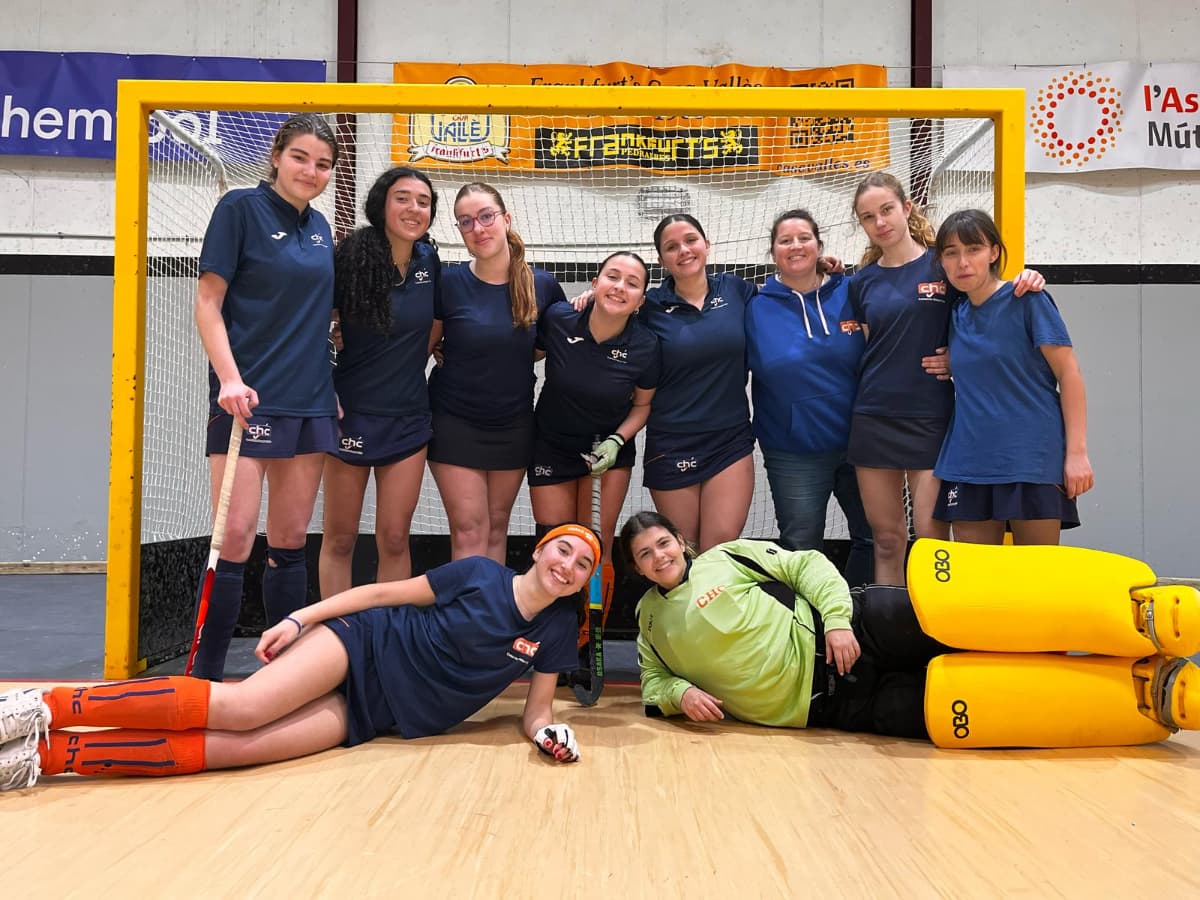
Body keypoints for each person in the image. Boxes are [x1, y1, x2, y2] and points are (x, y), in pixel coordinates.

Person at [0, 524, 600, 791]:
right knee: (243, 707)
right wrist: (299, 617)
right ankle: (42, 705)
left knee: (237, 752)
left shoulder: (555, 628)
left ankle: (46, 758)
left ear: (583, 584)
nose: (567, 567)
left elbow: (536, 711)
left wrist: (548, 735)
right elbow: (382, 592)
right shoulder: (478, 574)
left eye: (582, 567)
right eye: (563, 551)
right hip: (364, 644)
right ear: (541, 550)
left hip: (386, 713)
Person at [619, 511, 1200, 748]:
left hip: (852, 628)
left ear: (681, 541)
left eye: (663, 543)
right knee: (950, 706)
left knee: (974, 620)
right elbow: (651, 684)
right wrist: (680, 693)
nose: (659, 556)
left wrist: (838, 621)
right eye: (645, 554)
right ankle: (1150, 698)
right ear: (638, 568)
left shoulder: (726, 558)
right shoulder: (649, 620)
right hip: (827, 704)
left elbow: (807, 564)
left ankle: (1139, 616)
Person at [191, 113, 341, 681]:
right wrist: (228, 379)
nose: (311, 171)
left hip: (310, 401)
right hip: (246, 399)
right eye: (301, 157)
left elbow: (318, 316)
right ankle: (204, 673)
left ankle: (284, 671)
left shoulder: (323, 227)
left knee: (290, 538)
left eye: (323, 164)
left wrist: (330, 382)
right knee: (233, 536)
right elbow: (208, 303)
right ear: (277, 155)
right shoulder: (238, 210)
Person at [847, 172, 1043, 585]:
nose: (880, 222)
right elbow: (867, 346)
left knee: (932, 540)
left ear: (906, 207)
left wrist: (1028, 278)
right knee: (886, 538)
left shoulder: (945, 262)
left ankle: (937, 634)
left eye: (886, 210)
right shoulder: (860, 281)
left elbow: (987, 305)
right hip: (873, 417)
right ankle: (891, 634)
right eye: (868, 217)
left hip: (932, 418)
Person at [932, 209, 1093, 544]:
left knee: (1035, 583)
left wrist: (1077, 454)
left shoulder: (1027, 298)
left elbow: (1070, 373)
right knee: (975, 585)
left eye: (973, 249)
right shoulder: (955, 313)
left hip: (1031, 460)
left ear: (993, 252)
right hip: (969, 461)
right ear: (942, 262)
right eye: (951, 253)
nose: (963, 262)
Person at [427, 183, 566, 563]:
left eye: (486, 216)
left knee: (496, 525)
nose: (478, 228)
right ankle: (465, 622)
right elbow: (421, 344)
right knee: (470, 528)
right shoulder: (450, 283)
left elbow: (549, 346)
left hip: (514, 423)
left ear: (505, 219)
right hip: (454, 421)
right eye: (466, 222)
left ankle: (490, 621)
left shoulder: (543, 286)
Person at [319, 167, 440, 597]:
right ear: (382, 204)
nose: (413, 208)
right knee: (339, 538)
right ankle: (333, 640)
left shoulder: (430, 260)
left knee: (393, 538)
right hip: (349, 415)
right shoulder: (350, 257)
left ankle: (388, 637)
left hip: (408, 418)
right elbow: (315, 323)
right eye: (402, 198)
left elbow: (436, 324)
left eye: (423, 201)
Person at [531, 251, 660, 633]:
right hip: (551, 444)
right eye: (612, 277)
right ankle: (549, 635)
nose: (620, 287)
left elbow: (643, 405)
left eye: (632, 283)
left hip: (606, 451)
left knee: (594, 543)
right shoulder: (558, 318)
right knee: (556, 543)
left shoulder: (645, 345)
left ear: (641, 300)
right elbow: (523, 351)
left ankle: (588, 641)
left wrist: (618, 440)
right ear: (595, 283)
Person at [746, 209, 873, 587]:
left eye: (804, 238)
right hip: (793, 452)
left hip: (864, 444)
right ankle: (808, 636)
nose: (796, 246)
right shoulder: (754, 307)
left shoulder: (851, 291)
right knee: (801, 548)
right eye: (786, 240)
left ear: (819, 245)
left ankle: (860, 623)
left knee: (874, 538)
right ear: (773, 253)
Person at [637, 214, 758, 552]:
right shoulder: (648, 307)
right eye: (672, 247)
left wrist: (824, 269)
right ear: (661, 260)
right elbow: (607, 314)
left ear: (707, 244)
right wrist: (590, 297)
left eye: (691, 240)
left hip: (729, 440)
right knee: (684, 553)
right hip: (672, 442)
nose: (684, 250)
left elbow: (788, 291)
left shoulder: (737, 289)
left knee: (720, 551)